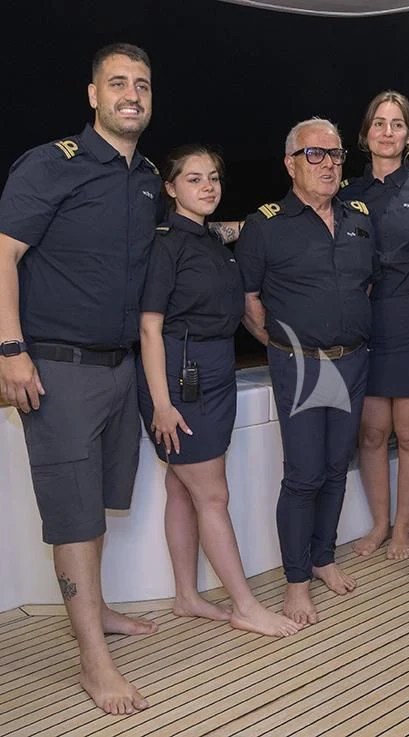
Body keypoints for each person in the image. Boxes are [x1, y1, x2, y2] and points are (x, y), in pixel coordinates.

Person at [0, 43, 160, 715]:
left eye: (141, 84)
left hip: (119, 371)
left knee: (96, 506)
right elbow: (0, 254)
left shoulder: (144, 178)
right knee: (74, 519)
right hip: (57, 370)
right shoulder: (48, 165)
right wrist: (10, 347)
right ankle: (93, 660)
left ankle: (100, 611)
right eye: (118, 83)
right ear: (93, 95)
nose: (131, 94)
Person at [137, 144, 301, 637]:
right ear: (170, 188)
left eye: (213, 177)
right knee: (212, 494)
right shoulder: (165, 245)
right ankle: (245, 604)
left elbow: (242, 228)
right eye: (193, 179)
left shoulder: (209, 237)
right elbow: (149, 329)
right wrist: (162, 403)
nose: (207, 186)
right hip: (180, 374)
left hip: (212, 366)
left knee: (180, 488)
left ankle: (186, 596)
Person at [235, 118, 377, 625]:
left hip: (354, 360)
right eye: (315, 155)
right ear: (290, 163)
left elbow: (364, 287)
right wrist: (283, 344)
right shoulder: (265, 225)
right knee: (303, 475)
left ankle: (323, 559)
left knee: (337, 468)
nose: (329, 164)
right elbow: (249, 301)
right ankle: (296, 583)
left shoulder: (359, 217)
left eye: (336, 155)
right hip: (300, 364)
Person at [340, 90, 409, 561]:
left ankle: (403, 528)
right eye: (378, 123)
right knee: (373, 434)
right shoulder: (344, 194)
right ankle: (380, 523)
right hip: (363, 326)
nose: (386, 132)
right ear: (364, 135)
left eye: (396, 124)